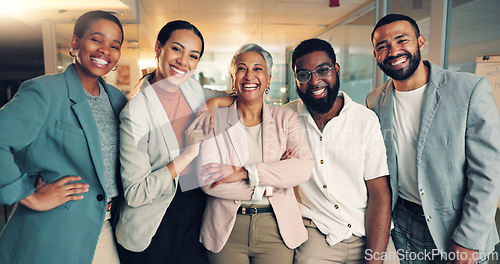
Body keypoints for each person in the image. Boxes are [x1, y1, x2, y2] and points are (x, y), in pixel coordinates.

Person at [366, 14, 500, 263]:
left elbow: (488, 173)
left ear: (420, 41)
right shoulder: (374, 101)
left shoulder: (470, 89)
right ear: (376, 55)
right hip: (404, 220)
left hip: (457, 224)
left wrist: (469, 238)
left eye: (401, 40)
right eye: (382, 46)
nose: (393, 51)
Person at [0, 10, 127, 264]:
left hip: (103, 228)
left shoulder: (118, 100)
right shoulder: (45, 91)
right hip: (53, 230)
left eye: (114, 45)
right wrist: (30, 196)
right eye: (96, 40)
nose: (105, 50)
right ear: (74, 43)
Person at [115, 20, 232, 264]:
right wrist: (187, 155)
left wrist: (212, 103)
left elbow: (234, 98)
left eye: (193, 55)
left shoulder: (192, 88)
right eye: (176, 49)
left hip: (195, 210)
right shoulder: (135, 112)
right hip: (155, 223)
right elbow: (135, 193)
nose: (183, 62)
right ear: (159, 48)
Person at [197, 43, 314, 264]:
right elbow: (208, 180)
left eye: (258, 69)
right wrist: (275, 180)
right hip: (226, 231)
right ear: (233, 79)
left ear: (268, 80)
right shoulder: (215, 118)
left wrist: (242, 172)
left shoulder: (285, 118)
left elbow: (303, 168)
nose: (249, 75)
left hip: (277, 228)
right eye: (242, 69)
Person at [285, 38, 393, 264]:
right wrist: (215, 103)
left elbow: (379, 194)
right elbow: (244, 104)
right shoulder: (283, 118)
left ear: (336, 70)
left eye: (323, 70)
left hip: (367, 230)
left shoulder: (364, 119)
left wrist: (374, 259)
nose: (315, 81)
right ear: (296, 78)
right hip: (318, 233)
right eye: (304, 75)